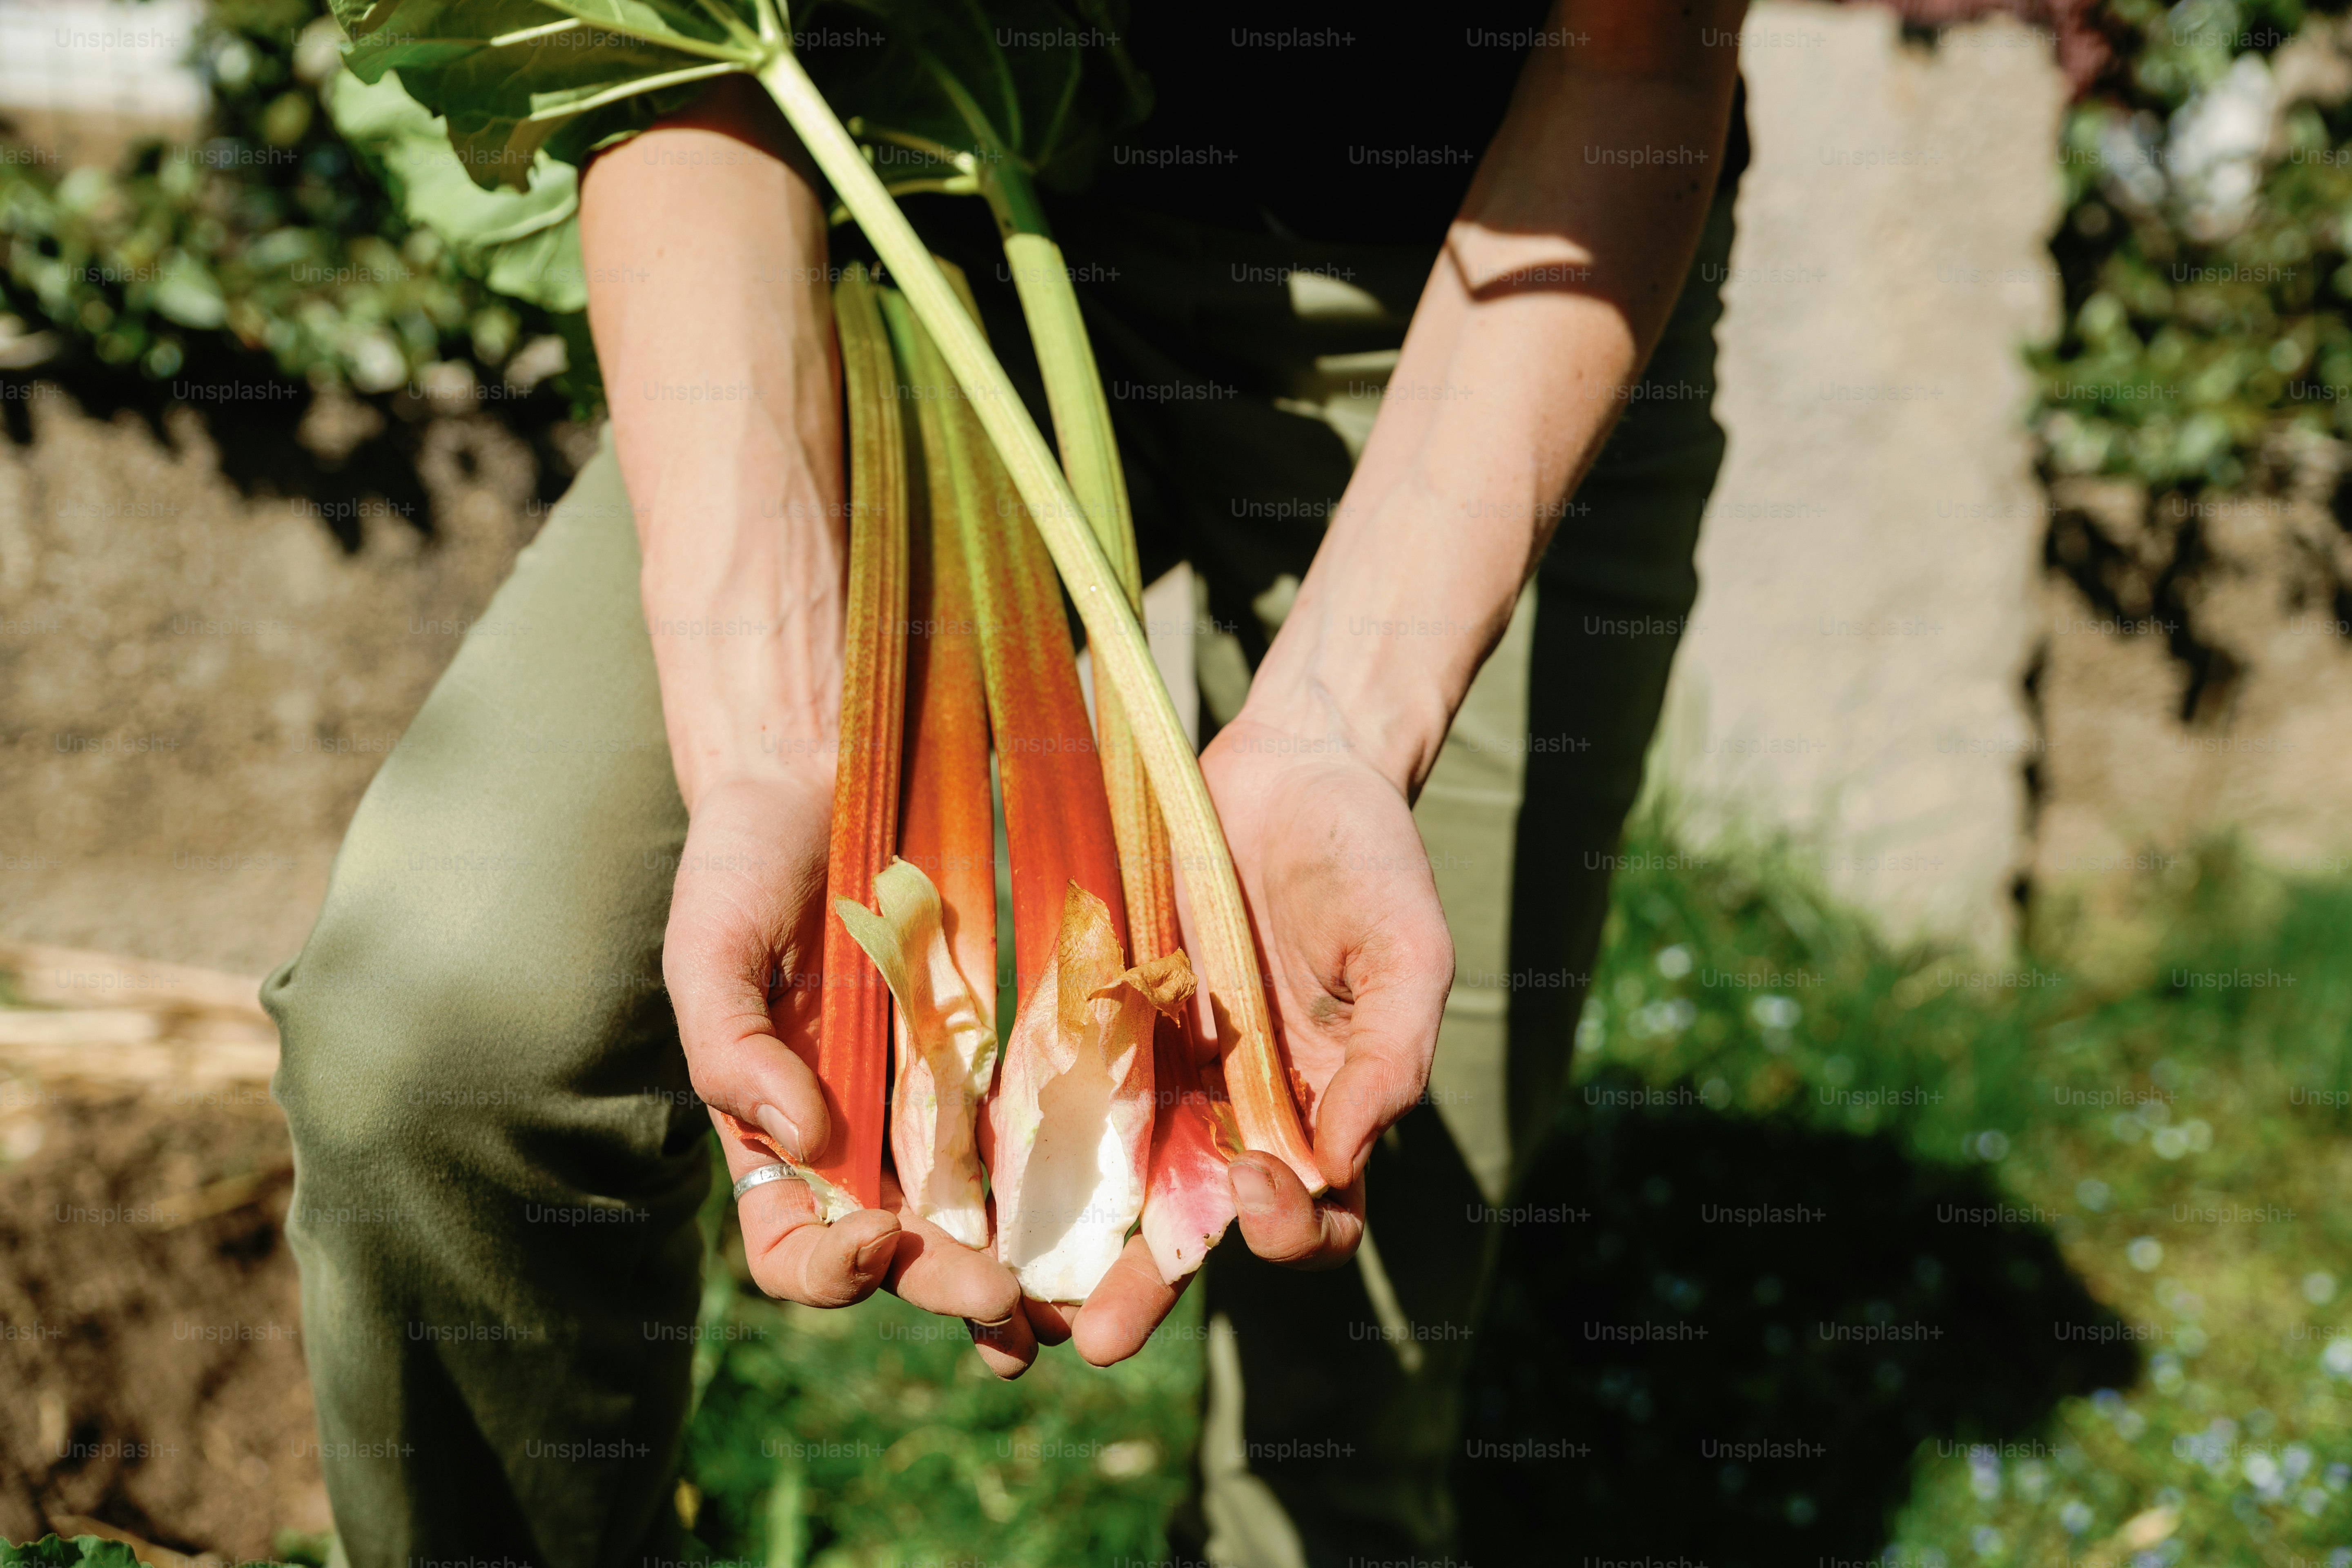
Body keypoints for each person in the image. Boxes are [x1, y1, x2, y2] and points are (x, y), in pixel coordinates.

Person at [263, 2, 1751, 1563]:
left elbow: (1636, 51)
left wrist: (1343, 732)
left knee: (1360, 1255)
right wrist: (774, 743)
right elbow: (676, 41)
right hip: (908, 255)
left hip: (1485, 261)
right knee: (438, 1037)